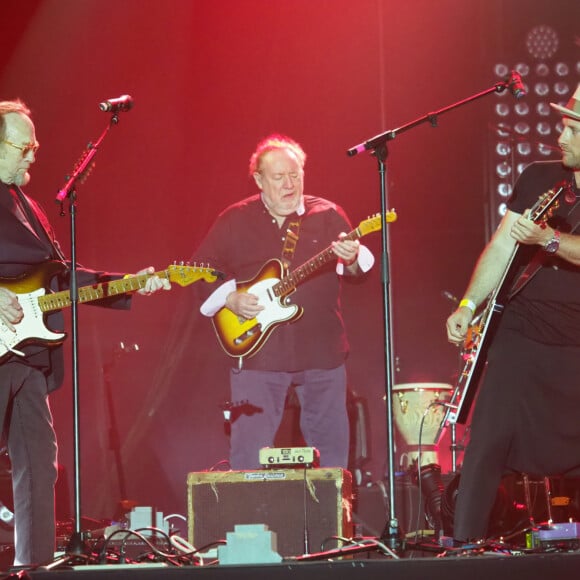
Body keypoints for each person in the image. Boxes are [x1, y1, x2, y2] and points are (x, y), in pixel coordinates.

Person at [0, 99, 170, 566]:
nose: (34, 153)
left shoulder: (26, 204)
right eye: (24, 145)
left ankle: (30, 567)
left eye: (35, 144)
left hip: (30, 353)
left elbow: (62, 275)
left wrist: (129, 282)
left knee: (38, 462)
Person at [445, 83, 580, 542]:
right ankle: (463, 550)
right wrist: (468, 303)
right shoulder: (540, 178)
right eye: (563, 126)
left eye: (572, 129)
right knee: (485, 443)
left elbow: (552, 244)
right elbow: (502, 245)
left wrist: (549, 241)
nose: (561, 138)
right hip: (520, 333)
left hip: (576, 342)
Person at [193, 134, 375, 470]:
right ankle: (250, 522)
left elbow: (356, 271)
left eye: (295, 175)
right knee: (248, 455)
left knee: (331, 455)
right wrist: (231, 298)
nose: (289, 184)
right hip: (258, 351)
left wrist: (351, 258)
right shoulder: (235, 219)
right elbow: (200, 272)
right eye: (279, 177)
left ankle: (329, 521)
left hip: (321, 350)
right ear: (259, 180)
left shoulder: (329, 214)